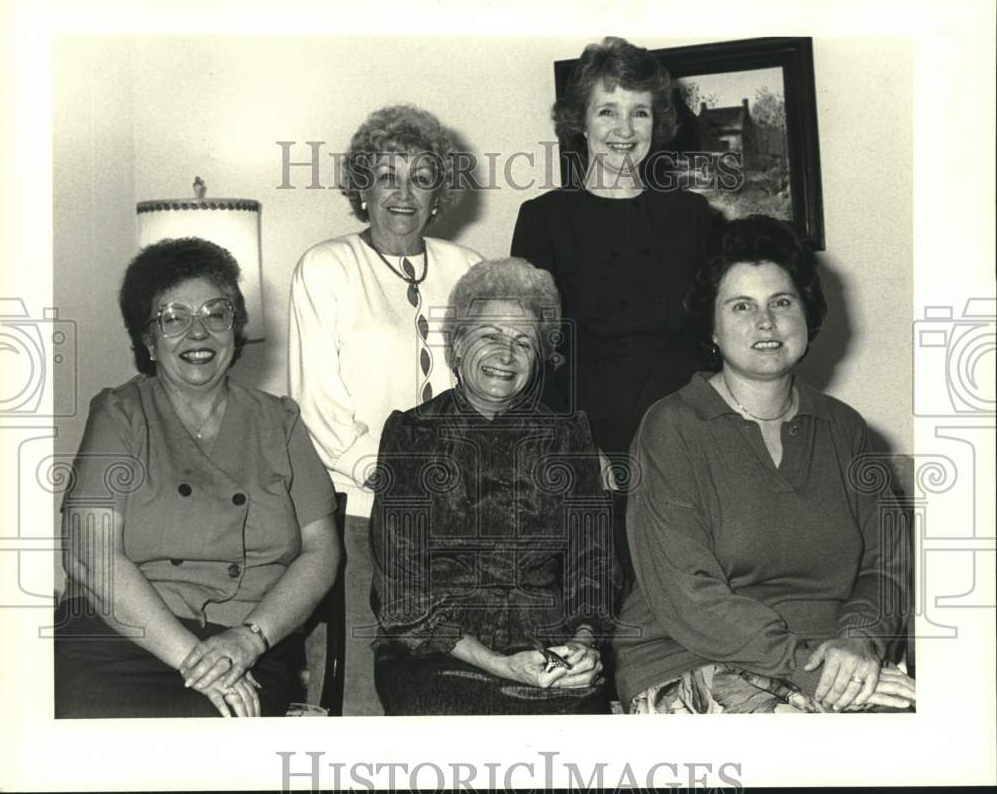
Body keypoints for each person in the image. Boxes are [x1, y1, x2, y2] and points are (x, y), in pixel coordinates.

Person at [614, 216, 915, 714]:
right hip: (686, 658)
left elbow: (886, 565)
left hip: (831, 658)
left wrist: (860, 639)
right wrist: (804, 668)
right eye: (740, 306)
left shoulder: (845, 429)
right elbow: (688, 593)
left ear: (807, 314)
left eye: (781, 301)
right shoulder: (671, 427)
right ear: (710, 327)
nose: (765, 322)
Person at [55, 238, 340, 718]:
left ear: (237, 327)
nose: (198, 332)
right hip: (120, 638)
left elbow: (322, 551)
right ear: (147, 340)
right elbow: (90, 558)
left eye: (216, 313)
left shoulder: (281, 421)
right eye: (173, 317)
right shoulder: (119, 413)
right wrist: (192, 658)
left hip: (244, 647)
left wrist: (249, 641)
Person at [288, 104, 482, 715]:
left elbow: (494, 388)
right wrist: (393, 476)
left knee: (454, 684)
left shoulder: (469, 270)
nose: (403, 193)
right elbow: (316, 403)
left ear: (438, 193)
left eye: (421, 178)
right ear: (362, 189)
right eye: (386, 176)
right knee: (358, 691)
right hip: (360, 514)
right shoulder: (327, 267)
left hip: (461, 515)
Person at [370, 258, 620, 715]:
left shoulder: (568, 437)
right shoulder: (411, 435)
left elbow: (594, 565)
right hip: (439, 658)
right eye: (490, 336)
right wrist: (500, 664)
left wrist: (581, 646)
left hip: (550, 652)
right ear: (458, 344)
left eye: (523, 342)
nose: (506, 355)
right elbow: (401, 593)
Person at [511, 36, 716, 470]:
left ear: (655, 124)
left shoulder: (692, 215)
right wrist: (575, 443)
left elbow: (713, 339)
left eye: (639, 112)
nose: (624, 130)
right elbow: (529, 348)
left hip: (688, 439)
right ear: (580, 122)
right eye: (607, 111)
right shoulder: (543, 219)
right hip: (589, 448)